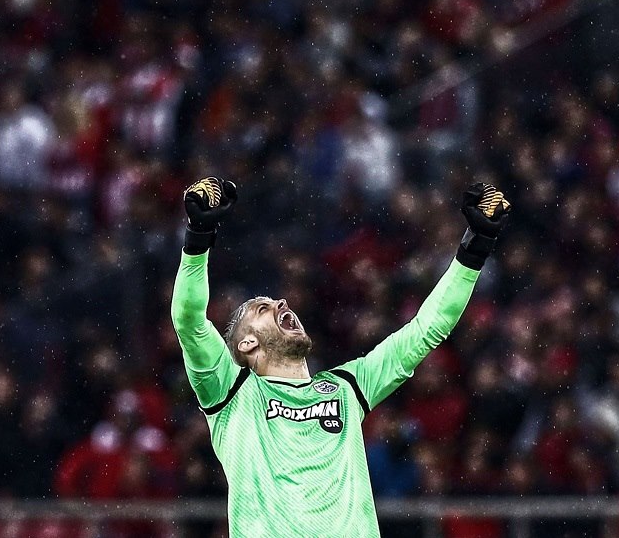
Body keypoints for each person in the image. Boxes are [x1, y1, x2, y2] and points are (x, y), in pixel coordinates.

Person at [170, 177, 511, 537]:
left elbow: (427, 328)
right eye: (262, 308)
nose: (281, 302)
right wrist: (199, 237)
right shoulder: (232, 394)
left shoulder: (347, 387)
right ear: (246, 345)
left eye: (277, 301)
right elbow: (189, 321)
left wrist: (475, 247)